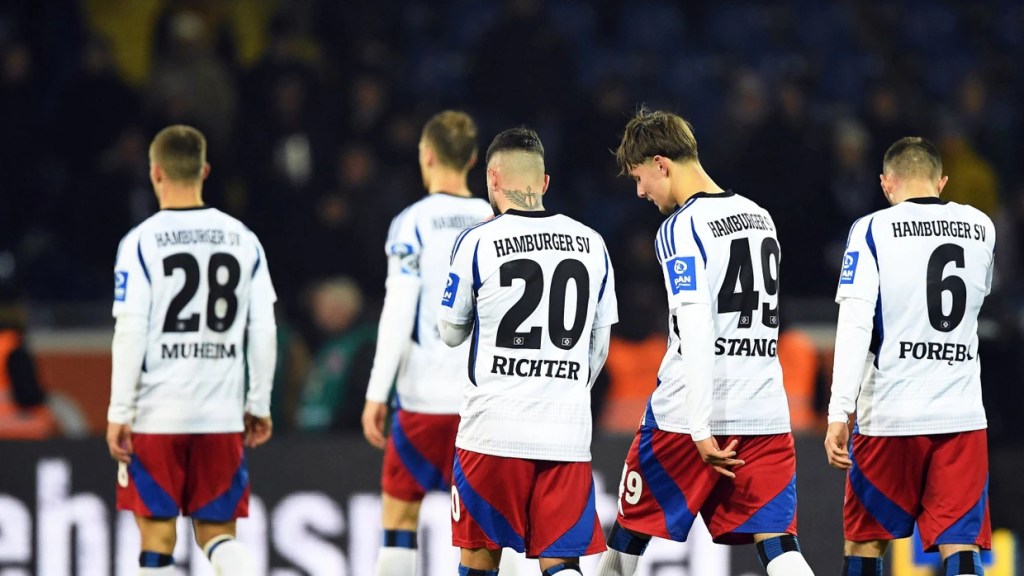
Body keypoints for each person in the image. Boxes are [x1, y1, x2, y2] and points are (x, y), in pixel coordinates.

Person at [596, 108, 815, 576]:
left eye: (638, 178)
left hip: (686, 418)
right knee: (780, 547)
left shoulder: (681, 228)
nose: (640, 192)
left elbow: (696, 326)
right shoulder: (759, 216)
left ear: (660, 164)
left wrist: (698, 426)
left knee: (627, 540)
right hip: (763, 411)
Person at [438, 127, 619, 576]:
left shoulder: (478, 241)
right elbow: (599, 346)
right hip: (566, 430)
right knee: (561, 563)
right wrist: (561, 385)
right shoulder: (592, 243)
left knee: (479, 560)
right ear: (545, 182)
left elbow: (450, 331)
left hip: (492, 431)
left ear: (493, 179)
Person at [105, 125, 277, 576]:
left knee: (158, 541)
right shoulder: (243, 238)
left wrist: (119, 410)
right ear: (204, 171)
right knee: (218, 535)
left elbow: (130, 330)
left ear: (155, 172)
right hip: (220, 414)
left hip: (157, 413)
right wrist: (258, 402)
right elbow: (263, 328)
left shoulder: (140, 242)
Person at [824, 137, 995, 576]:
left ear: (886, 184)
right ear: (942, 182)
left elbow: (855, 322)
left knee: (865, 541)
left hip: (890, 411)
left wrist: (839, 410)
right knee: (961, 543)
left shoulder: (871, 229)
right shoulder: (982, 226)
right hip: (961, 413)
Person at [360, 110, 493, 575]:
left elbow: (398, 312)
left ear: (428, 155)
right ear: (473, 159)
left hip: (422, 399)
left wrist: (377, 392)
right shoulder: (494, 220)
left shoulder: (412, 222)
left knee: (400, 520)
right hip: (483, 402)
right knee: (491, 531)